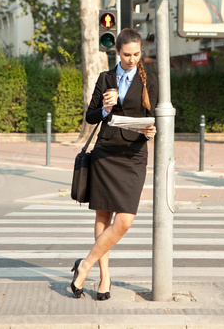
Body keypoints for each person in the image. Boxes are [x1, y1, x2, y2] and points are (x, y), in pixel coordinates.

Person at [70, 28, 158, 300]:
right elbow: (90, 116)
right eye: (127, 54)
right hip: (106, 153)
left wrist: (152, 131)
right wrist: (106, 109)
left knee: (125, 221)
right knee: (103, 216)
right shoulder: (106, 78)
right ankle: (104, 276)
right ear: (117, 53)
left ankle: (84, 264)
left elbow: (154, 117)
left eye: (137, 54)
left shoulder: (150, 81)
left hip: (134, 156)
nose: (132, 59)